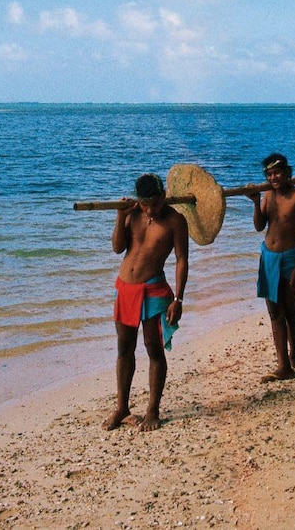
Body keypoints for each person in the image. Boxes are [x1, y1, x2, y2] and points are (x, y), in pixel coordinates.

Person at [102, 173, 188, 432]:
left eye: (155, 203)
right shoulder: (132, 214)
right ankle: (122, 408)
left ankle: (152, 410)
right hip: (125, 288)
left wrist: (179, 298)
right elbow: (118, 248)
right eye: (146, 204)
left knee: (154, 349)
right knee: (124, 348)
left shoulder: (175, 221)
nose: (151, 209)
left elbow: (182, 260)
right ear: (139, 200)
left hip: (153, 290)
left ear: (163, 195)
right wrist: (120, 217)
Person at [247, 153, 295, 383]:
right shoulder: (267, 194)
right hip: (269, 257)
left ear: (287, 173)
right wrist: (255, 202)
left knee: (290, 310)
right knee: (275, 312)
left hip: (291, 257)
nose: (273, 177)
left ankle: (293, 356)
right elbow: (259, 226)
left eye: (277, 173)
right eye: (269, 174)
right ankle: (283, 365)